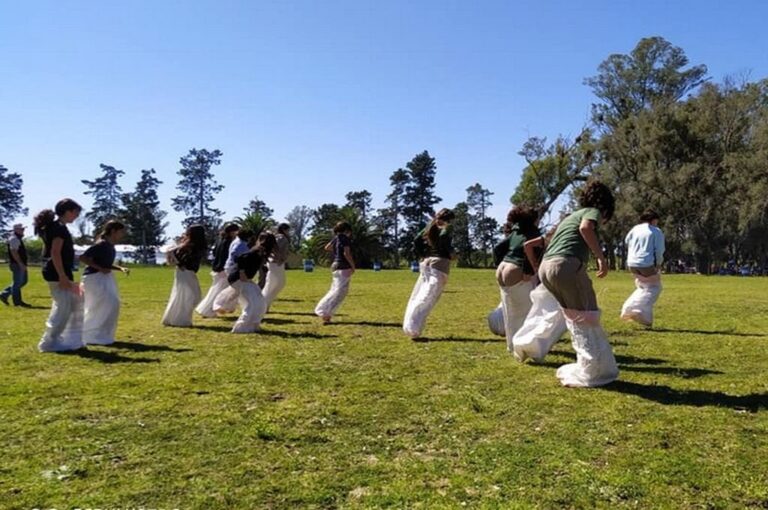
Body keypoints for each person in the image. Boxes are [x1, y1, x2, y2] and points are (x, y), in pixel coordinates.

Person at [537, 181, 619, 387]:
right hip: (564, 265)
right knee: (587, 314)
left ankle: (588, 364)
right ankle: (595, 369)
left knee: (573, 315)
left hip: (545, 267)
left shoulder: (570, 216)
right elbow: (586, 228)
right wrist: (600, 257)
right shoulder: (592, 211)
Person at [36, 199, 85, 352]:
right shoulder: (58, 228)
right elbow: (55, 252)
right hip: (57, 273)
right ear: (68, 211)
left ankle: (60, 338)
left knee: (68, 305)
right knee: (62, 307)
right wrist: (62, 276)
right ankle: (48, 342)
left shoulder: (57, 227)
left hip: (58, 271)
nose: (76, 216)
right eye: (76, 213)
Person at [492, 206, 542, 351]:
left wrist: (499, 264)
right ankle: (524, 347)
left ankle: (511, 345)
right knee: (526, 312)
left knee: (509, 311)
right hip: (517, 270)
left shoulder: (515, 233)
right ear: (533, 219)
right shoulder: (533, 232)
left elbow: (498, 248)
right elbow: (530, 250)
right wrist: (527, 270)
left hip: (503, 268)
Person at [403, 208, 456, 339]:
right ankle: (413, 328)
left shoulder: (430, 226)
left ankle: (410, 325)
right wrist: (451, 251)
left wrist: (422, 254)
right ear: (449, 219)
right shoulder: (447, 227)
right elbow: (444, 236)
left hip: (426, 262)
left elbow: (416, 240)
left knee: (418, 295)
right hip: (439, 263)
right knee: (428, 298)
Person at [80, 220, 130, 345]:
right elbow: (83, 257)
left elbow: (105, 264)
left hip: (104, 278)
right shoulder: (101, 244)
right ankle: (89, 334)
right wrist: (100, 268)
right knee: (100, 306)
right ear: (113, 231)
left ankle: (100, 334)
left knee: (111, 304)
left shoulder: (110, 246)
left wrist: (120, 268)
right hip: (94, 278)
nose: (122, 234)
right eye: (121, 232)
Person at [621, 209, 665, 327]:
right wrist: (659, 264)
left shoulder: (635, 229)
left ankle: (642, 315)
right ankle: (634, 308)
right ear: (654, 220)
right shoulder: (656, 231)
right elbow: (659, 250)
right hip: (646, 263)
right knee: (655, 287)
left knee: (643, 286)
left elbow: (626, 241)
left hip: (632, 263)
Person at [228, 231, 277, 333]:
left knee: (260, 302)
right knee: (253, 303)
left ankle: (253, 325)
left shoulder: (260, 251)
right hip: (238, 278)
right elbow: (241, 258)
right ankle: (241, 327)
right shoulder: (257, 250)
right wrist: (242, 272)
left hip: (245, 279)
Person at [161, 225, 207, 327]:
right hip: (186, 271)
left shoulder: (188, 244)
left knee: (183, 295)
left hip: (185, 271)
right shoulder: (192, 245)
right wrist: (179, 263)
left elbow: (175, 256)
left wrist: (176, 261)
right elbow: (181, 259)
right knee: (191, 296)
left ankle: (175, 318)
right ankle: (181, 320)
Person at [315, 221, 355, 324]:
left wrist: (337, 251)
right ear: (347, 230)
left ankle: (326, 313)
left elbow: (327, 247)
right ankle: (324, 311)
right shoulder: (345, 239)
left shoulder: (336, 238)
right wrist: (352, 265)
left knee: (335, 289)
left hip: (335, 265)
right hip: (343, 266)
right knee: (339, 292)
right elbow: (347, 253)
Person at [196, 223, 239, 318]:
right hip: (223, 269)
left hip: (217, 267)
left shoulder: (220, 240)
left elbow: (215, 252)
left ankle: (209, 308)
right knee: (218, 291)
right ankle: (208, 309)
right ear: (232, 232)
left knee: (216, 289)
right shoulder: (229, 242)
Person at [213, 228, 253, 315]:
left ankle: (228, 307)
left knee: (237, 289)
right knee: (237, 288)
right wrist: (239, 264)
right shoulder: (241, 244)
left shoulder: (237, 241)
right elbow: (235, 254)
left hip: (231, 267)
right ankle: (219, 305)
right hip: (234, 268)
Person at [262, 223, 291, 311]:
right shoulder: (281, 237)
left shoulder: (278, 237)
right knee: (275, 284)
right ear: (284, 230)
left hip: (275, 262)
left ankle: (265, 303)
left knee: (274, 284)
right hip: (276, 262)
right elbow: (275, 247)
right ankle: (263, 303)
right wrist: (280, 257)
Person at [1, 223, 30, 307]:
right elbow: (14, 252)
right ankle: (17, 302)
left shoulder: (16, 238)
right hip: (17, 264)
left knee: (23, 281)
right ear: (16, 229)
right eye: (22, 229)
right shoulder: (14, 238)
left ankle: (4, 294)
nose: (23, 231)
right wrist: (20, 263)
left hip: (19, 264)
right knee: (17, 283)